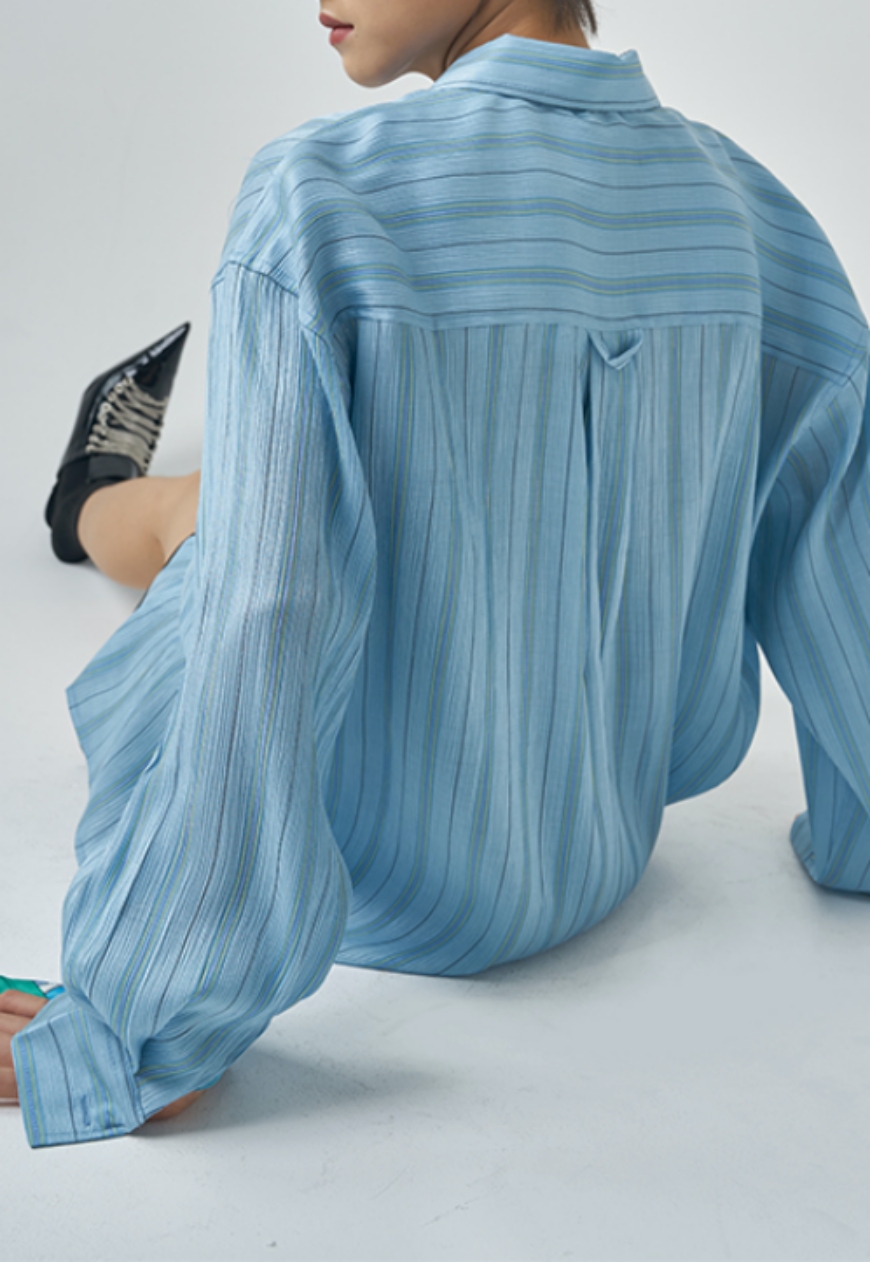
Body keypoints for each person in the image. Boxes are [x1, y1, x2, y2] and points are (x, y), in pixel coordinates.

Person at [2, 0, 869, 1148]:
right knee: (262, 498)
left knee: (215, 523)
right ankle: (100, 486)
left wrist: (143, 1021)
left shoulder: (321, 192)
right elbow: (844, 546)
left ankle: (86, 491)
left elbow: (267, 606)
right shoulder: (749, 211)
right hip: (602, 852)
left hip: (387, 884)